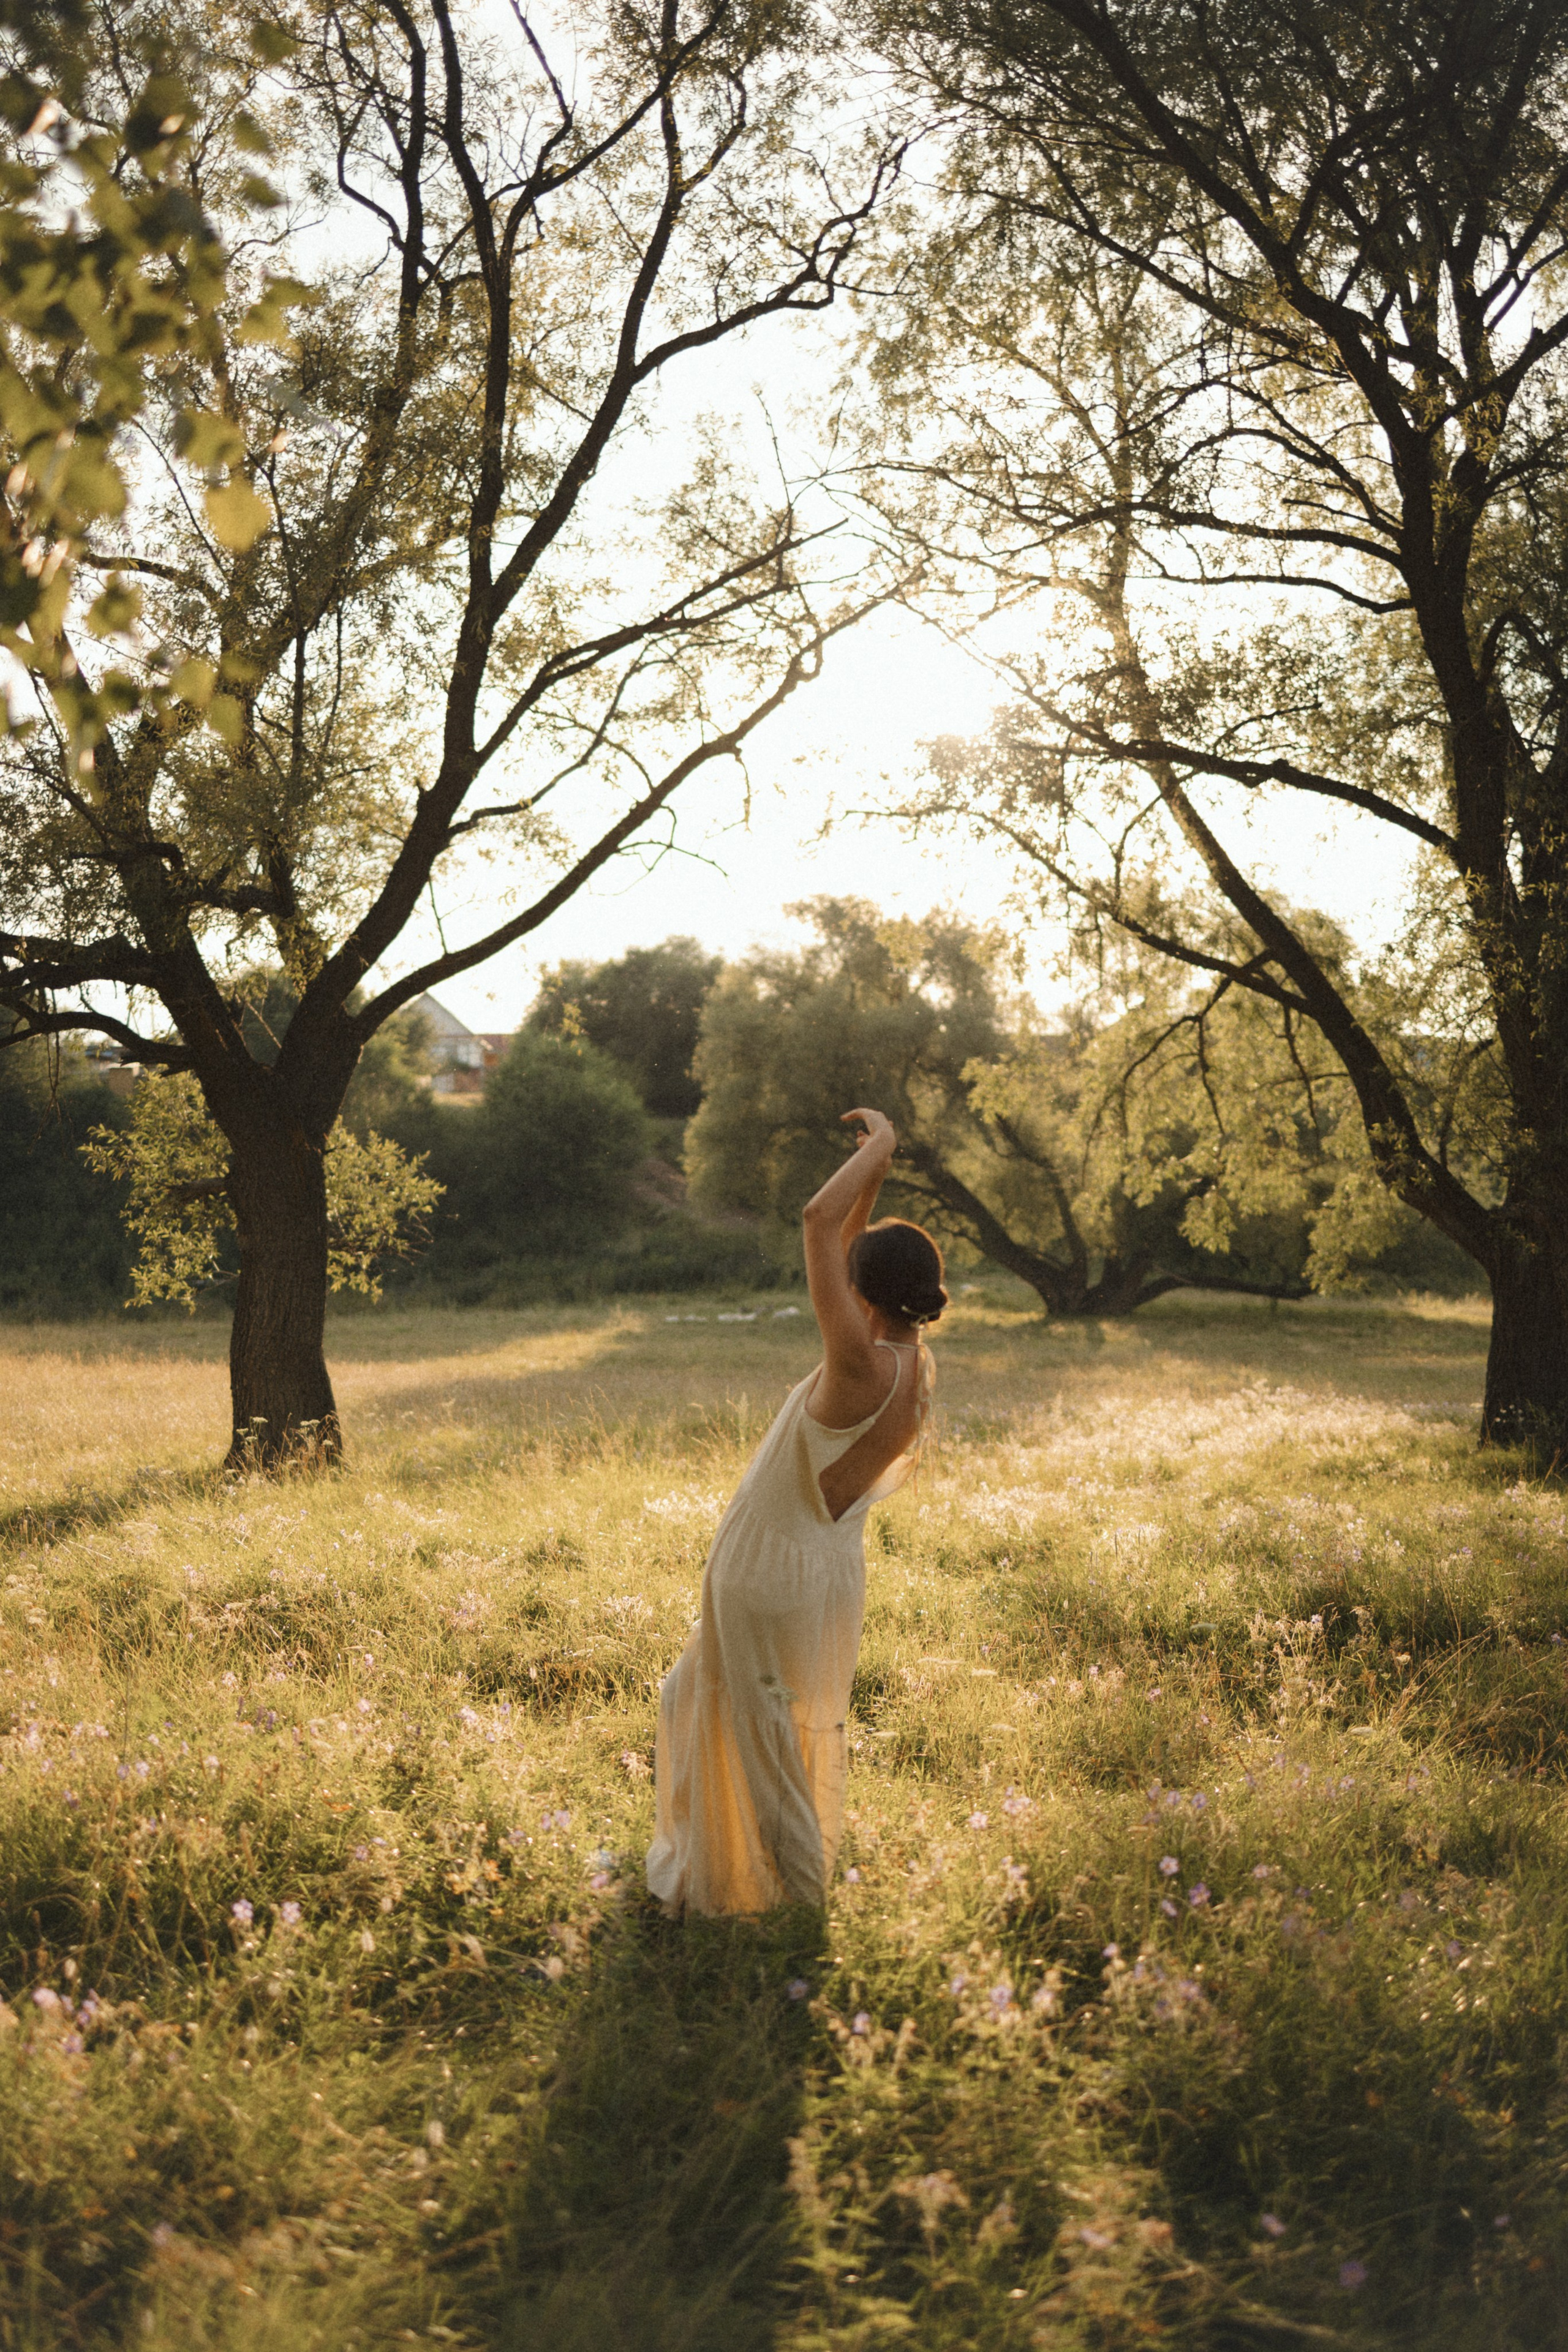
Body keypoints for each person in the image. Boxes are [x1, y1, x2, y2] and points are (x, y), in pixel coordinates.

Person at [646, 1106, 947, 1914]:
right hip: (816, 1572)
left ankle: (798, 1913)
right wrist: (875, 1179)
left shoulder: (855, 1363)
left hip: (769, 1575)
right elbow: (844, 1244)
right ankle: (703, 1867)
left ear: (862, 1293)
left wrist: (883, 1144)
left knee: (769, 1753)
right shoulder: (910, 1366)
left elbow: (818, 1223)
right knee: (686, 1700)